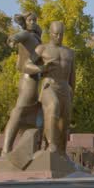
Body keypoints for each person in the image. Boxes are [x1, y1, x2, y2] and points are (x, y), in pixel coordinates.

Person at [0, 13, 42, 155]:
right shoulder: (26, 34)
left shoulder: (36, 37)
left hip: (35, 80)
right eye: (30, 20)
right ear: (25, 22)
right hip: (28, 79)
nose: (33, 22)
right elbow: (16, 37)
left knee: (34, 113)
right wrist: (12, 41)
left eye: (35, 20)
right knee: (19, 111)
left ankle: (31, 149)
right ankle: (6, 150)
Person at [35, 21, 75, 154]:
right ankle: (51, 144)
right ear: (50, 33)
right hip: (49, 85)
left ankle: (62, 152)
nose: (59, 37)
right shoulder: (42, 49)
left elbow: (72, 76)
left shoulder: (70, 52)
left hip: (64, 87)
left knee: (65, 120)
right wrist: (42, 68)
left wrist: (72, 93)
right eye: (56, 34)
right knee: (53, 105)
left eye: (61, 34)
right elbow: (26, 65)